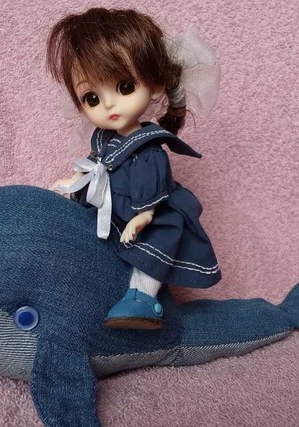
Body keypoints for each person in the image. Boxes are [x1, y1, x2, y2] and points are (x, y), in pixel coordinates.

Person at [47, 7, 221, 330]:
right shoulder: (103, 138)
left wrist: (144, 216)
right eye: (91, 97)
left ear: (155, 86)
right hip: (114, 207)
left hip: (148, 211)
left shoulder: (149, 150)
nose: (108, 104)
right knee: (85, 233)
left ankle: (143, 298)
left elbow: (149, 191)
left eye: (125, 86)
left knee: (152, 245)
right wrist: (73, 181)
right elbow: (97, 166)